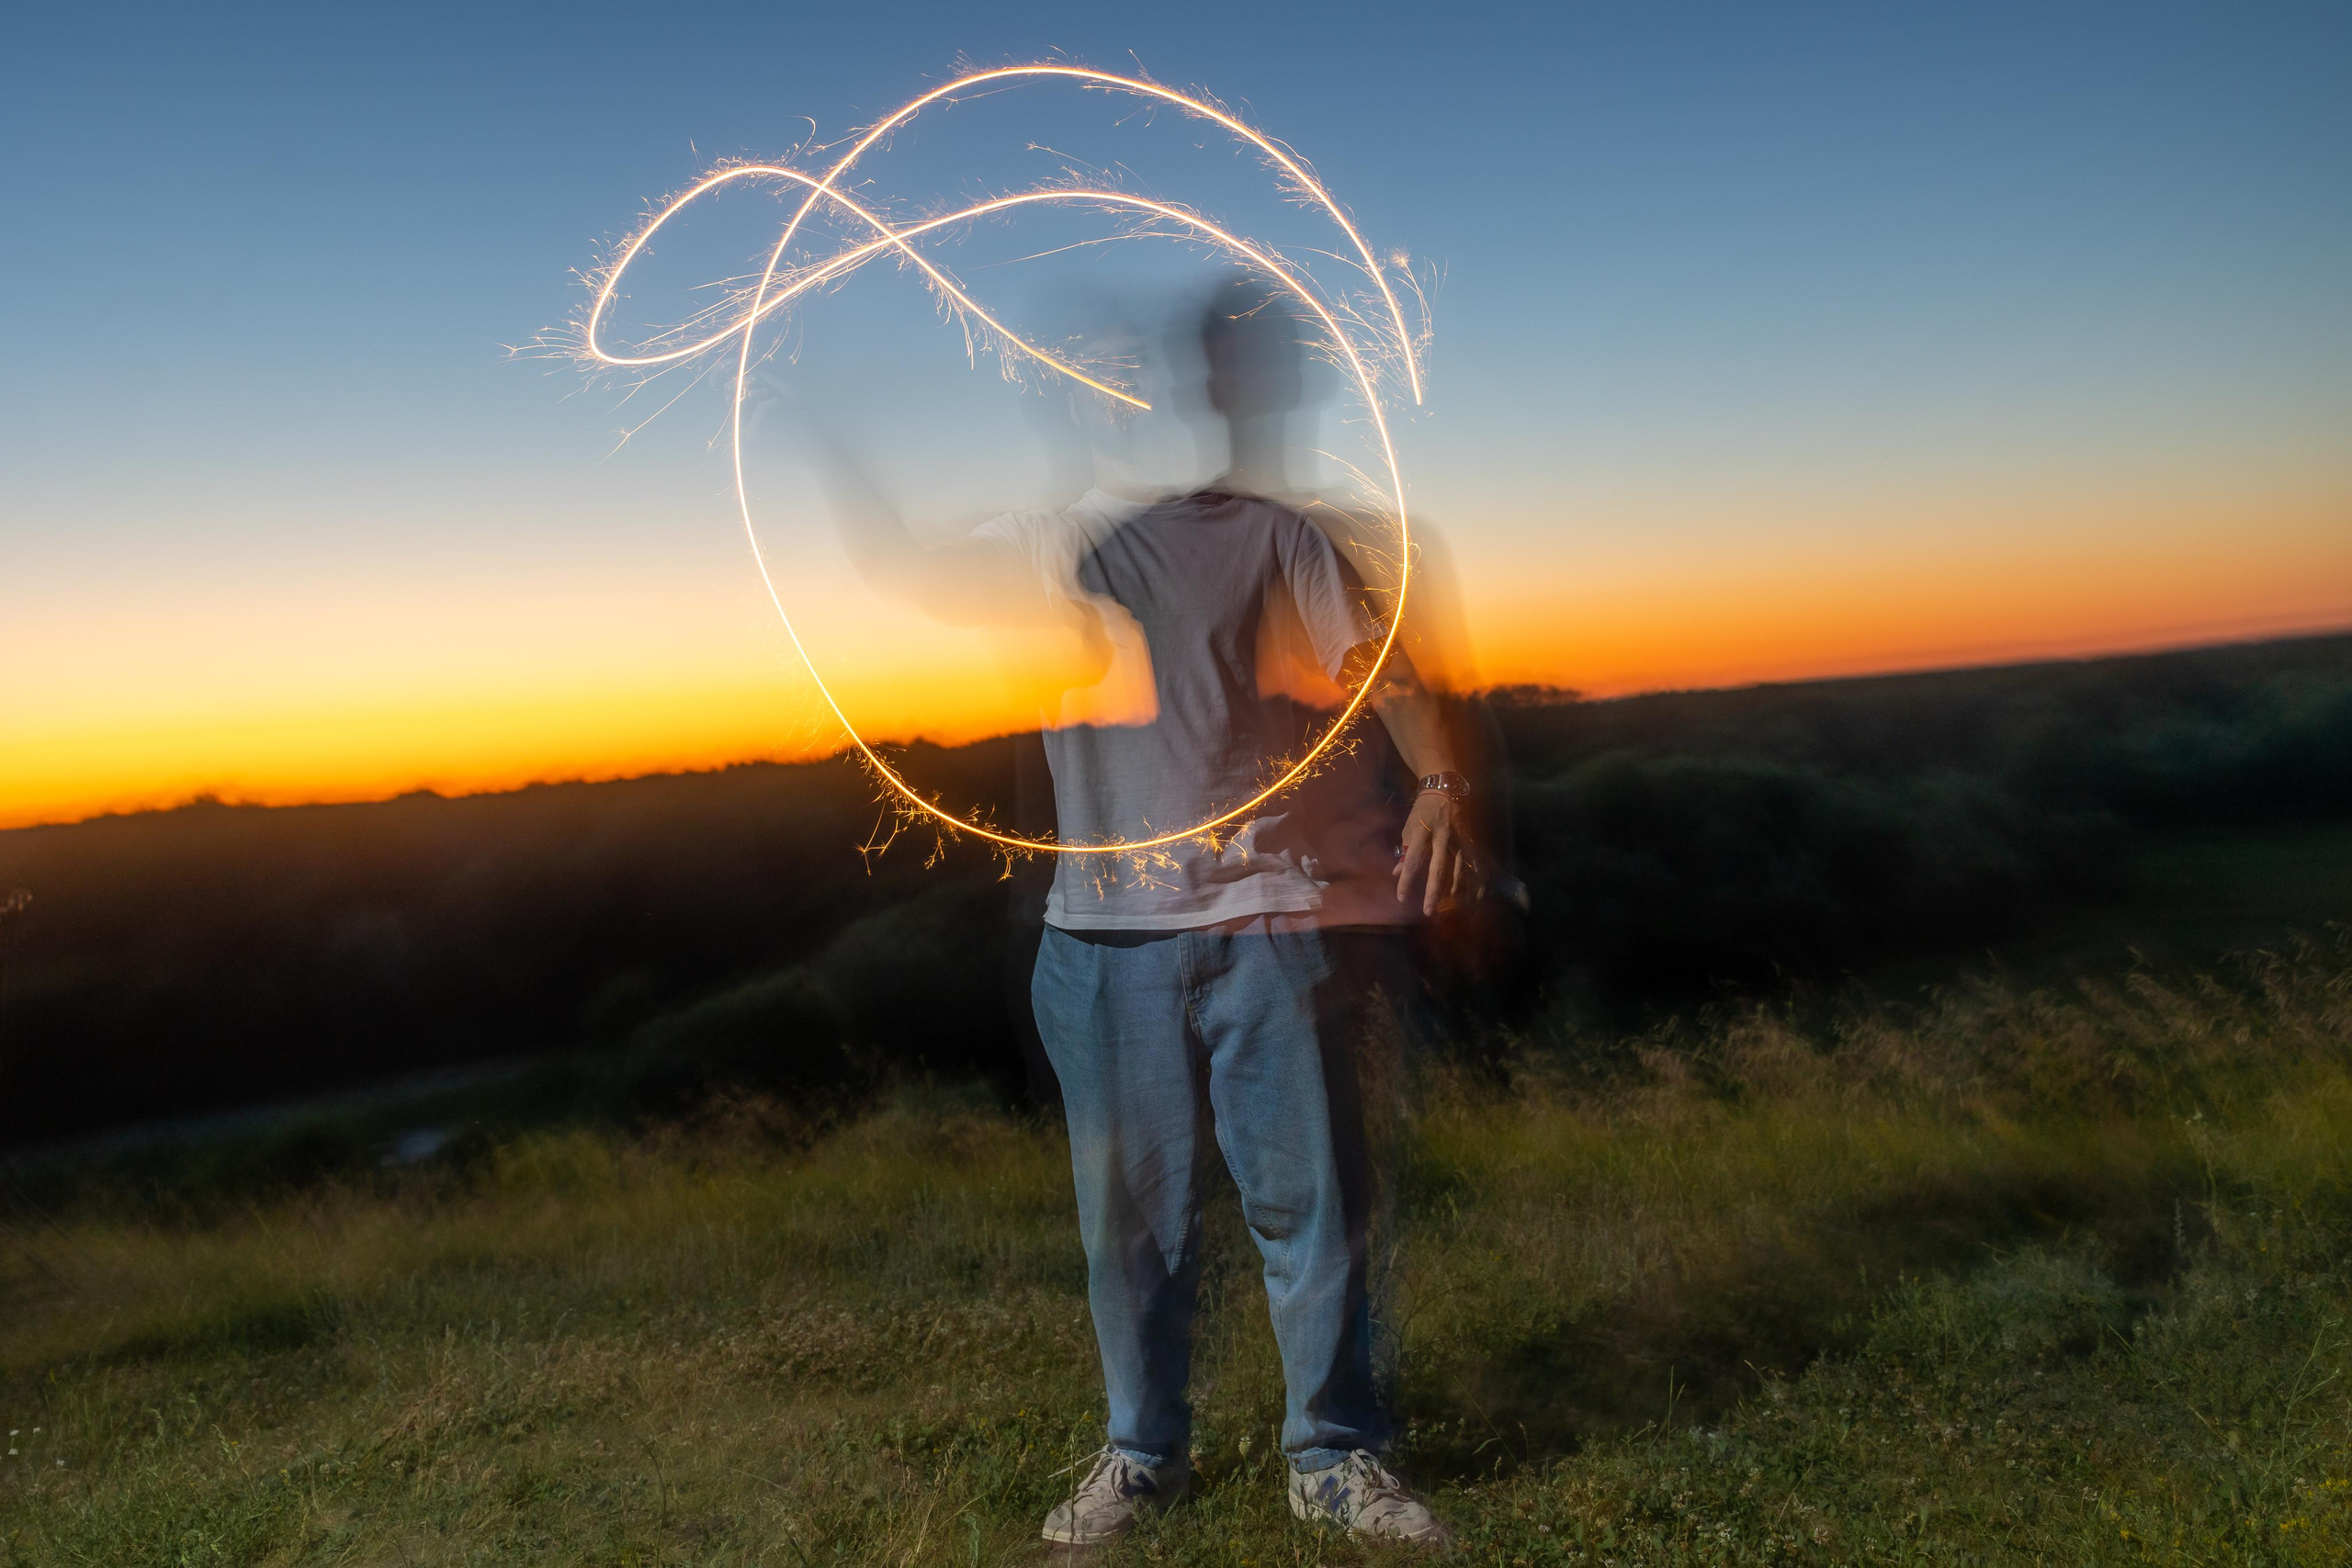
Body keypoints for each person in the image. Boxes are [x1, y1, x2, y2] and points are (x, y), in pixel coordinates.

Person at [763, 282, 1483, 1549]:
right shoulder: (1048, 543)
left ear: (1161, 399)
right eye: (1071, 377)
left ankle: (1333, 1457)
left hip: (1270, 919)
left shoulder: (1270, 533)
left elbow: (1382, 663)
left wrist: (1438, 783)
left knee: (1309, 1207)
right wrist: (818, 440)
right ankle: (1144, 1455)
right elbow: (897, 567)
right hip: (1098, 943)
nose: (1099, 394)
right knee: (1131, 1231)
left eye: (1119, 375)